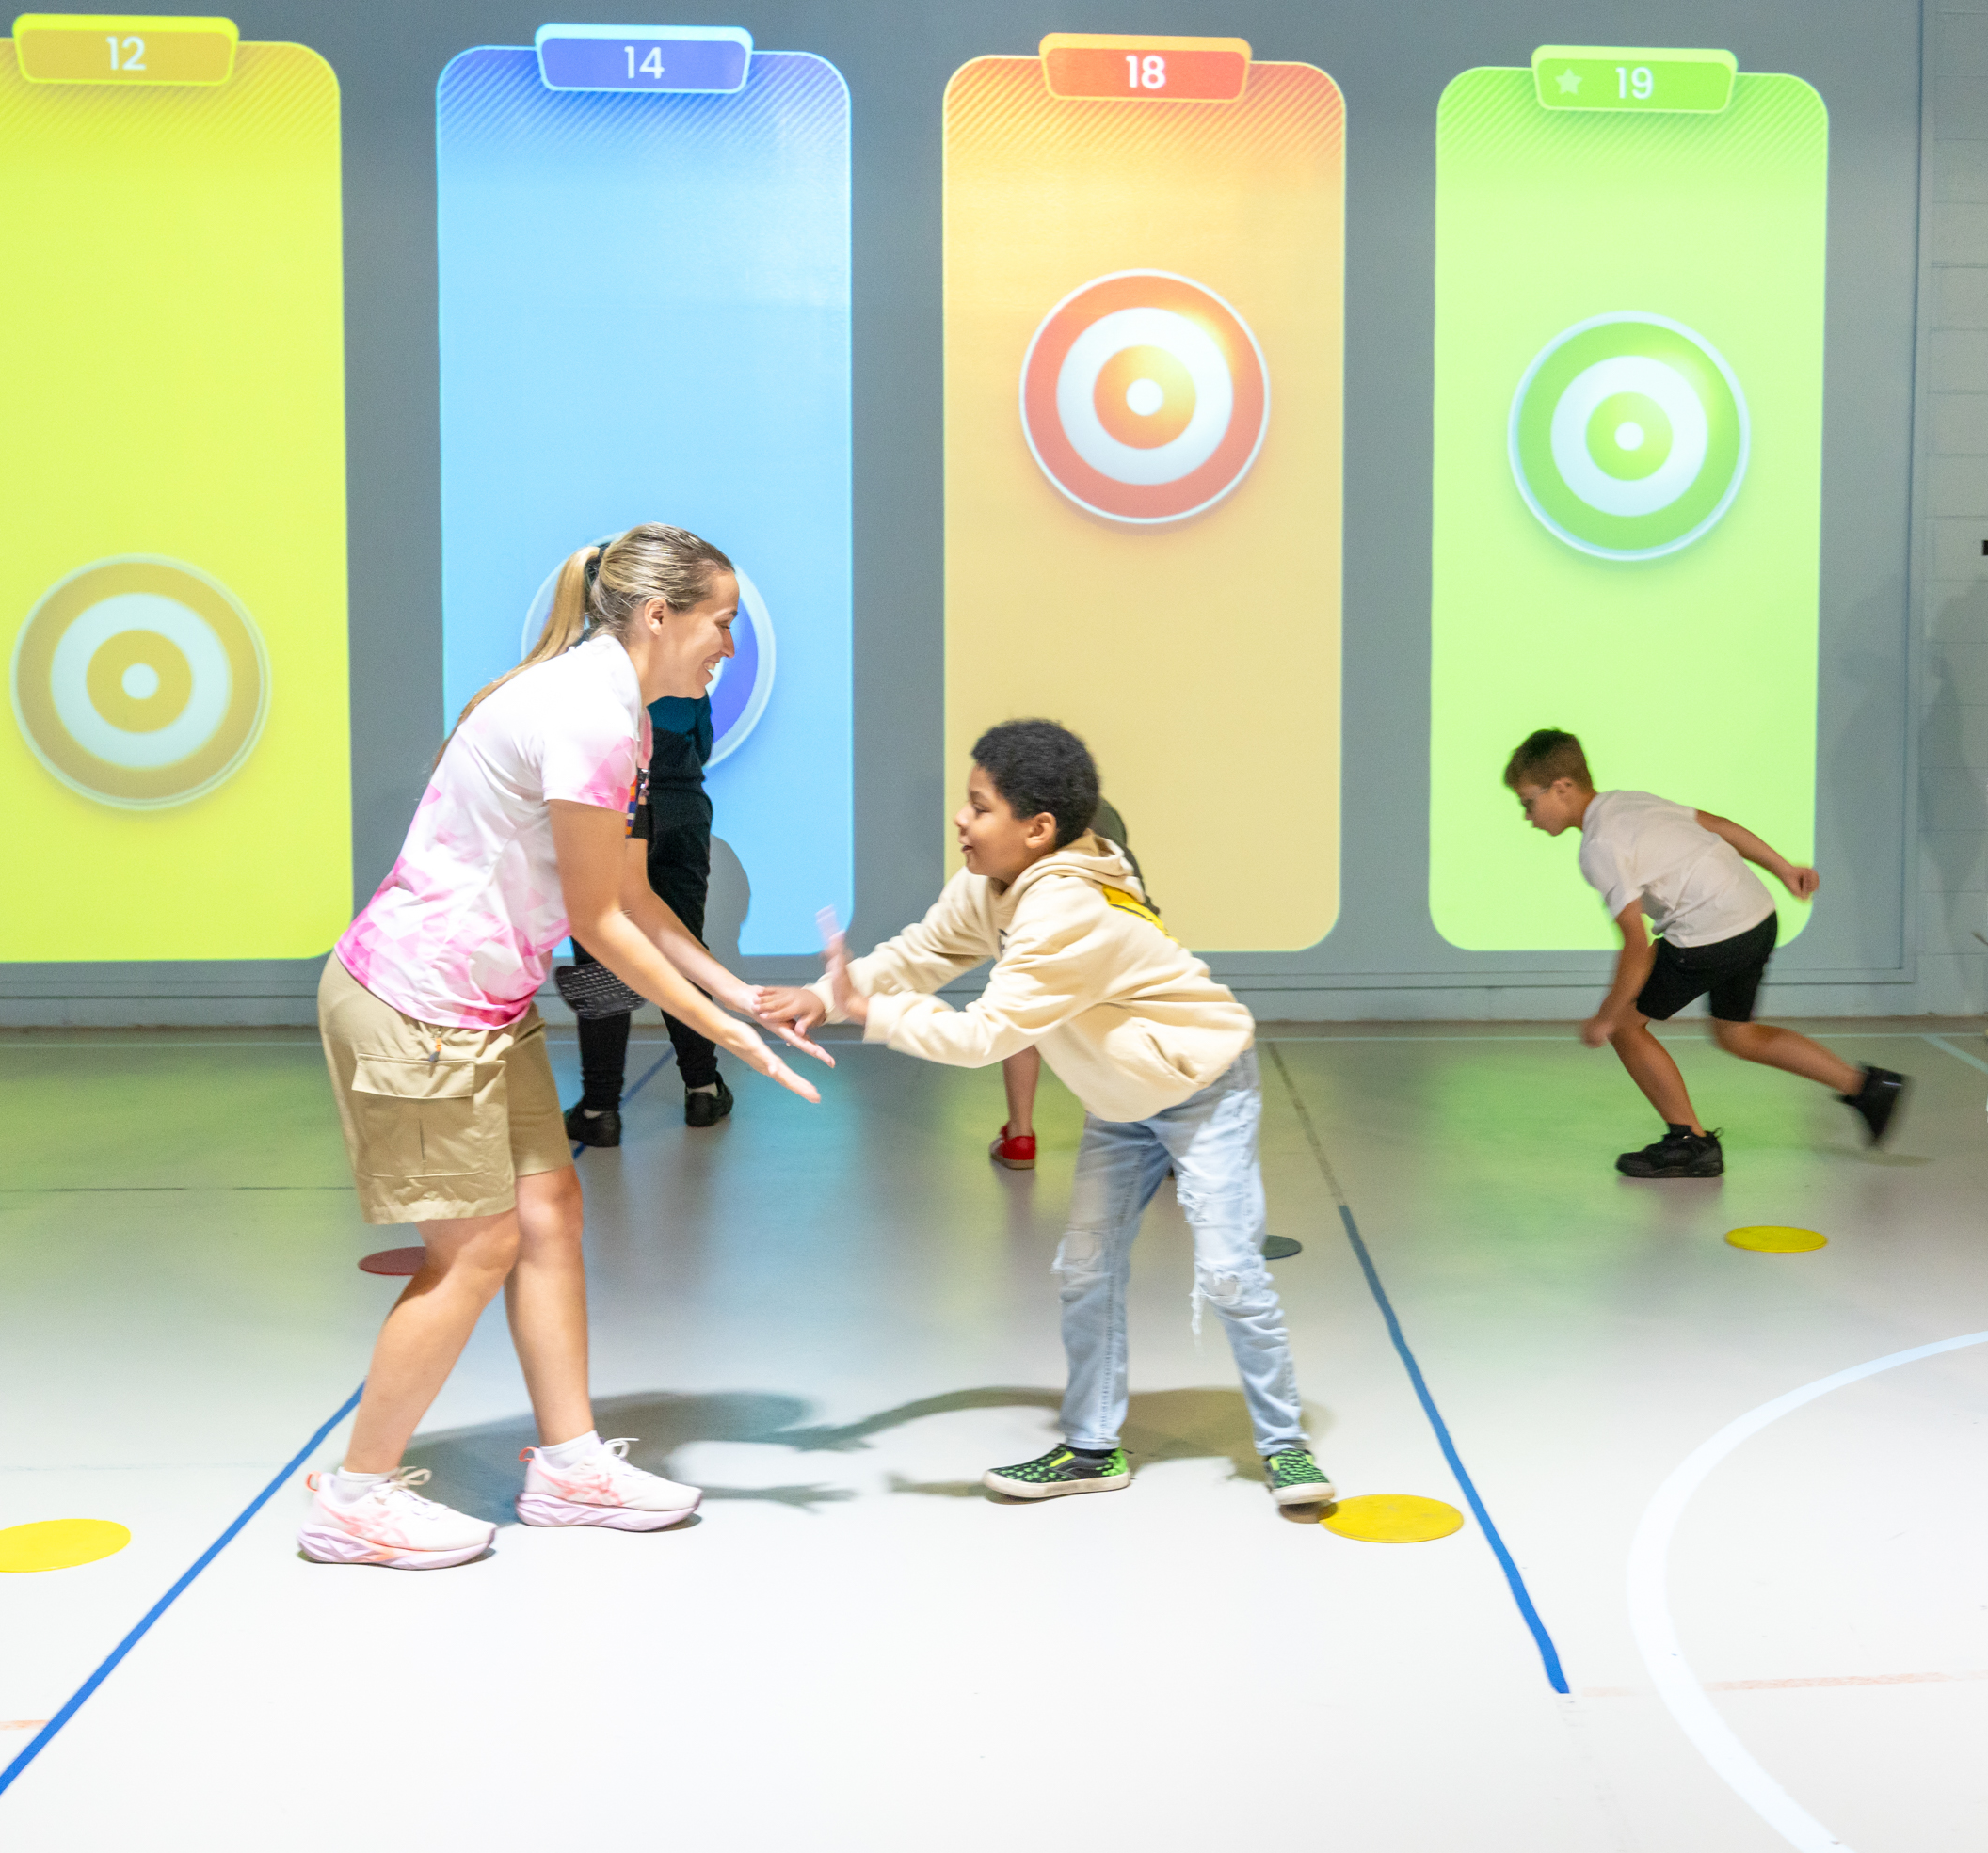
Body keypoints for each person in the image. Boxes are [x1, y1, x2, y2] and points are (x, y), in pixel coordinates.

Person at [297, 526, 821, 1571]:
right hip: (419, 1005)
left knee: (549, 1214)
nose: (729, 645)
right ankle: (352, 1498)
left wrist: (740, 993)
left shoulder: (618, 709)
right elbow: (600, 923)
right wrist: (720, 1033)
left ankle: (571, 1467)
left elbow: (633, 894)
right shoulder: (586, 713)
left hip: (481, 1007)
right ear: (659, 615)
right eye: (721, 622)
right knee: (476, 1247)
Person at [758, 720, 1336, 1514]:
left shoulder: (1066, 910)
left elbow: (986, 1036)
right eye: (967, 802)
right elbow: (923, 950)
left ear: (1038, 829)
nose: (961, 818)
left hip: (1204, 1089)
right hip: (1120, 1102)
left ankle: (1284, 1445)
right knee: (1085, 1269)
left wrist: (872, 1014)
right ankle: (1093, 1447)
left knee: (1231, 1270)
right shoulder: (991, 884)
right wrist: (825, 997)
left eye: (979, 806)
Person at [1504, 731, 1905, 1180]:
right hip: (1757, 915)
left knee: (1625, 1027)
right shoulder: (1627, 802)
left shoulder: (1599, 845)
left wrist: (1606, 1015)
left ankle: (1690, 1142)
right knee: (1736, 1034)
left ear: (1562, 787)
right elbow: (1716, 824)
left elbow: (1635, 944)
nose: (1527, 816)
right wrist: (1782, 868)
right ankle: (1867, 1087)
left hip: (1712, 932)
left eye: (1528, 802)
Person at [555, 684, 730, 1147]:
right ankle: (703, 1089)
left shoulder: (586, 678)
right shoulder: (687, 682)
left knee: (601, 955)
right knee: (681, 948)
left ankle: (599, 1110)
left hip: (610, 812)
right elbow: (703, 749)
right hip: (681, 811)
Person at [988, 796, 1134, 1170]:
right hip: (1105, 934)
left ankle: (1020, 1136)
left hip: (1035, 929)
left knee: (1021, 1020)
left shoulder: (1014, 814)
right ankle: (1135, 1132)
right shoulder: (1103, 814)